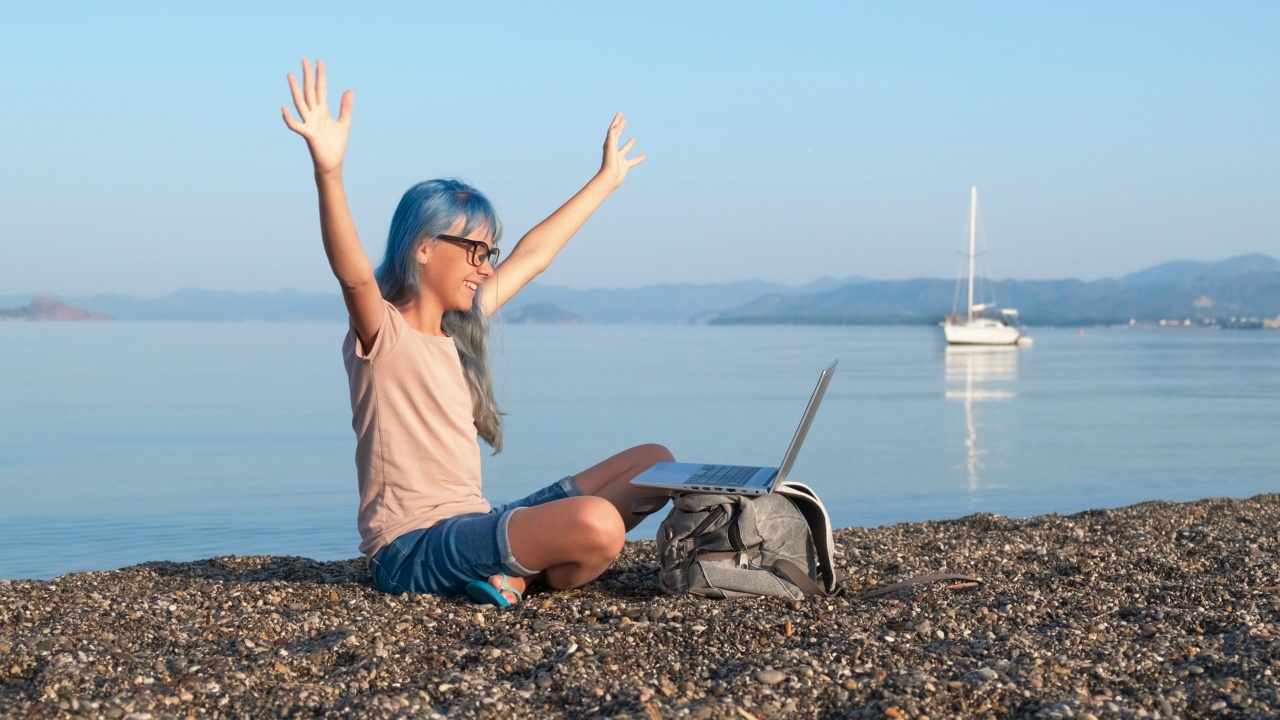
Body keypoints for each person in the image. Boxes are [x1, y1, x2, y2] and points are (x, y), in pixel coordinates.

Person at [282, 59, 673, 606]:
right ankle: (523, 574)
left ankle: (513, 573)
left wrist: (605, 181)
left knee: (656, 463)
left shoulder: (458, 327)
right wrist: (329, 171)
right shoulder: (384, 333)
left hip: (475, 527)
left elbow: (533, 256)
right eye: (474, 251)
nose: (486, 266)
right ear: (423, 248)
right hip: (413, 549)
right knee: (600, 526)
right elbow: (350, 271)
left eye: (489, 253)